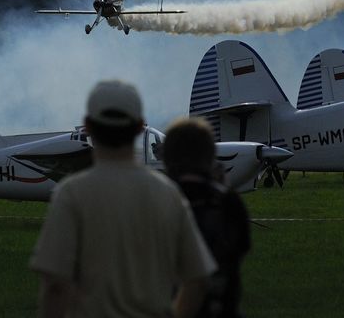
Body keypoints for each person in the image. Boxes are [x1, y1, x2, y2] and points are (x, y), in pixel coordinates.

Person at [29, 81, 216, 318]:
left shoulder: (71, 192)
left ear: (89, 126)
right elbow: (198, 279)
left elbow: (54, 285)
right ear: (140, 127)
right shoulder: (169, 193)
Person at [163, 118, 251, 318]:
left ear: (168, 159)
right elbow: (242, 248)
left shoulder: (160, 201)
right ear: (210, 156)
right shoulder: (229, 201)